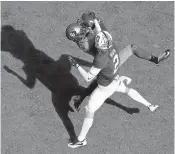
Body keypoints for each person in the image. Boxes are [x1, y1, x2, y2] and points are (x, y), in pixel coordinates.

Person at [67, 25, 159, 148]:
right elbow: (101, 32)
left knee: (90, 110)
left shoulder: (100, 58)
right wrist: (95, 23)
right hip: (114, 79)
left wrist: (76, 65)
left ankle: (81, 140)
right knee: (127, 90)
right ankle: (150, 105)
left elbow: (88, 77)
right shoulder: (112, 48)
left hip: (104, 89)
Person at [65, 12, 170, 111]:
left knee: (99, 80)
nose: (83, 28)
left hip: (109, 56)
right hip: (109, 61)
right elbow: (100, 31)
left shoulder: (82, 39)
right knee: (101, 81)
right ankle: (81, 98)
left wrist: (88, 22)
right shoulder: (87, 43)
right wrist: (95, 21)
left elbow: (88, 28)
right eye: (81, 30)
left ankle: (156, 59)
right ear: (79, 36)